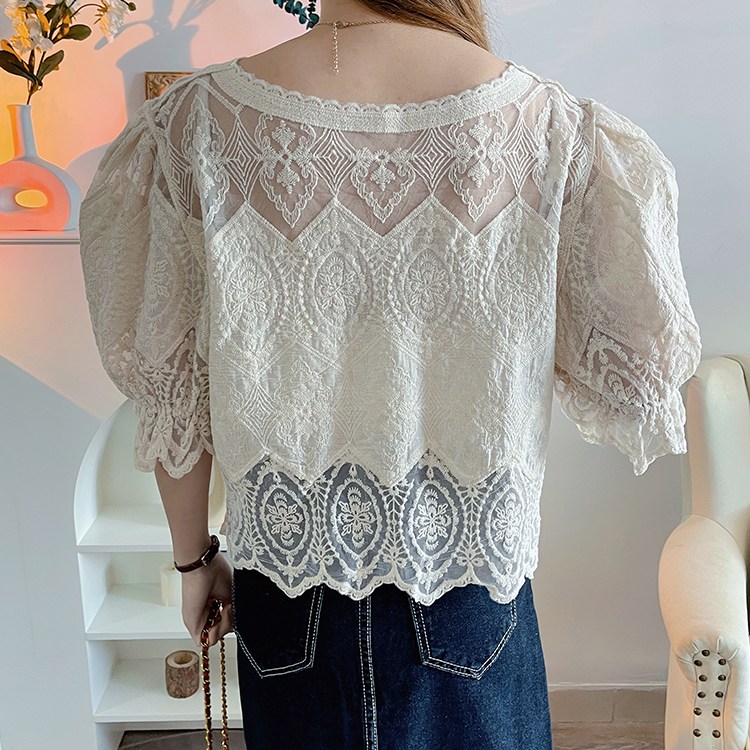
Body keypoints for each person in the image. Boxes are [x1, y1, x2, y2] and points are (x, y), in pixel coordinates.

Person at [78, 0, 702, 747]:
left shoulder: (194, 126)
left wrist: (194, 561)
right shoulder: (549, 127)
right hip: (467, 584)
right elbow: (636, 371)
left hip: (286, 586)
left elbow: (175, 391)